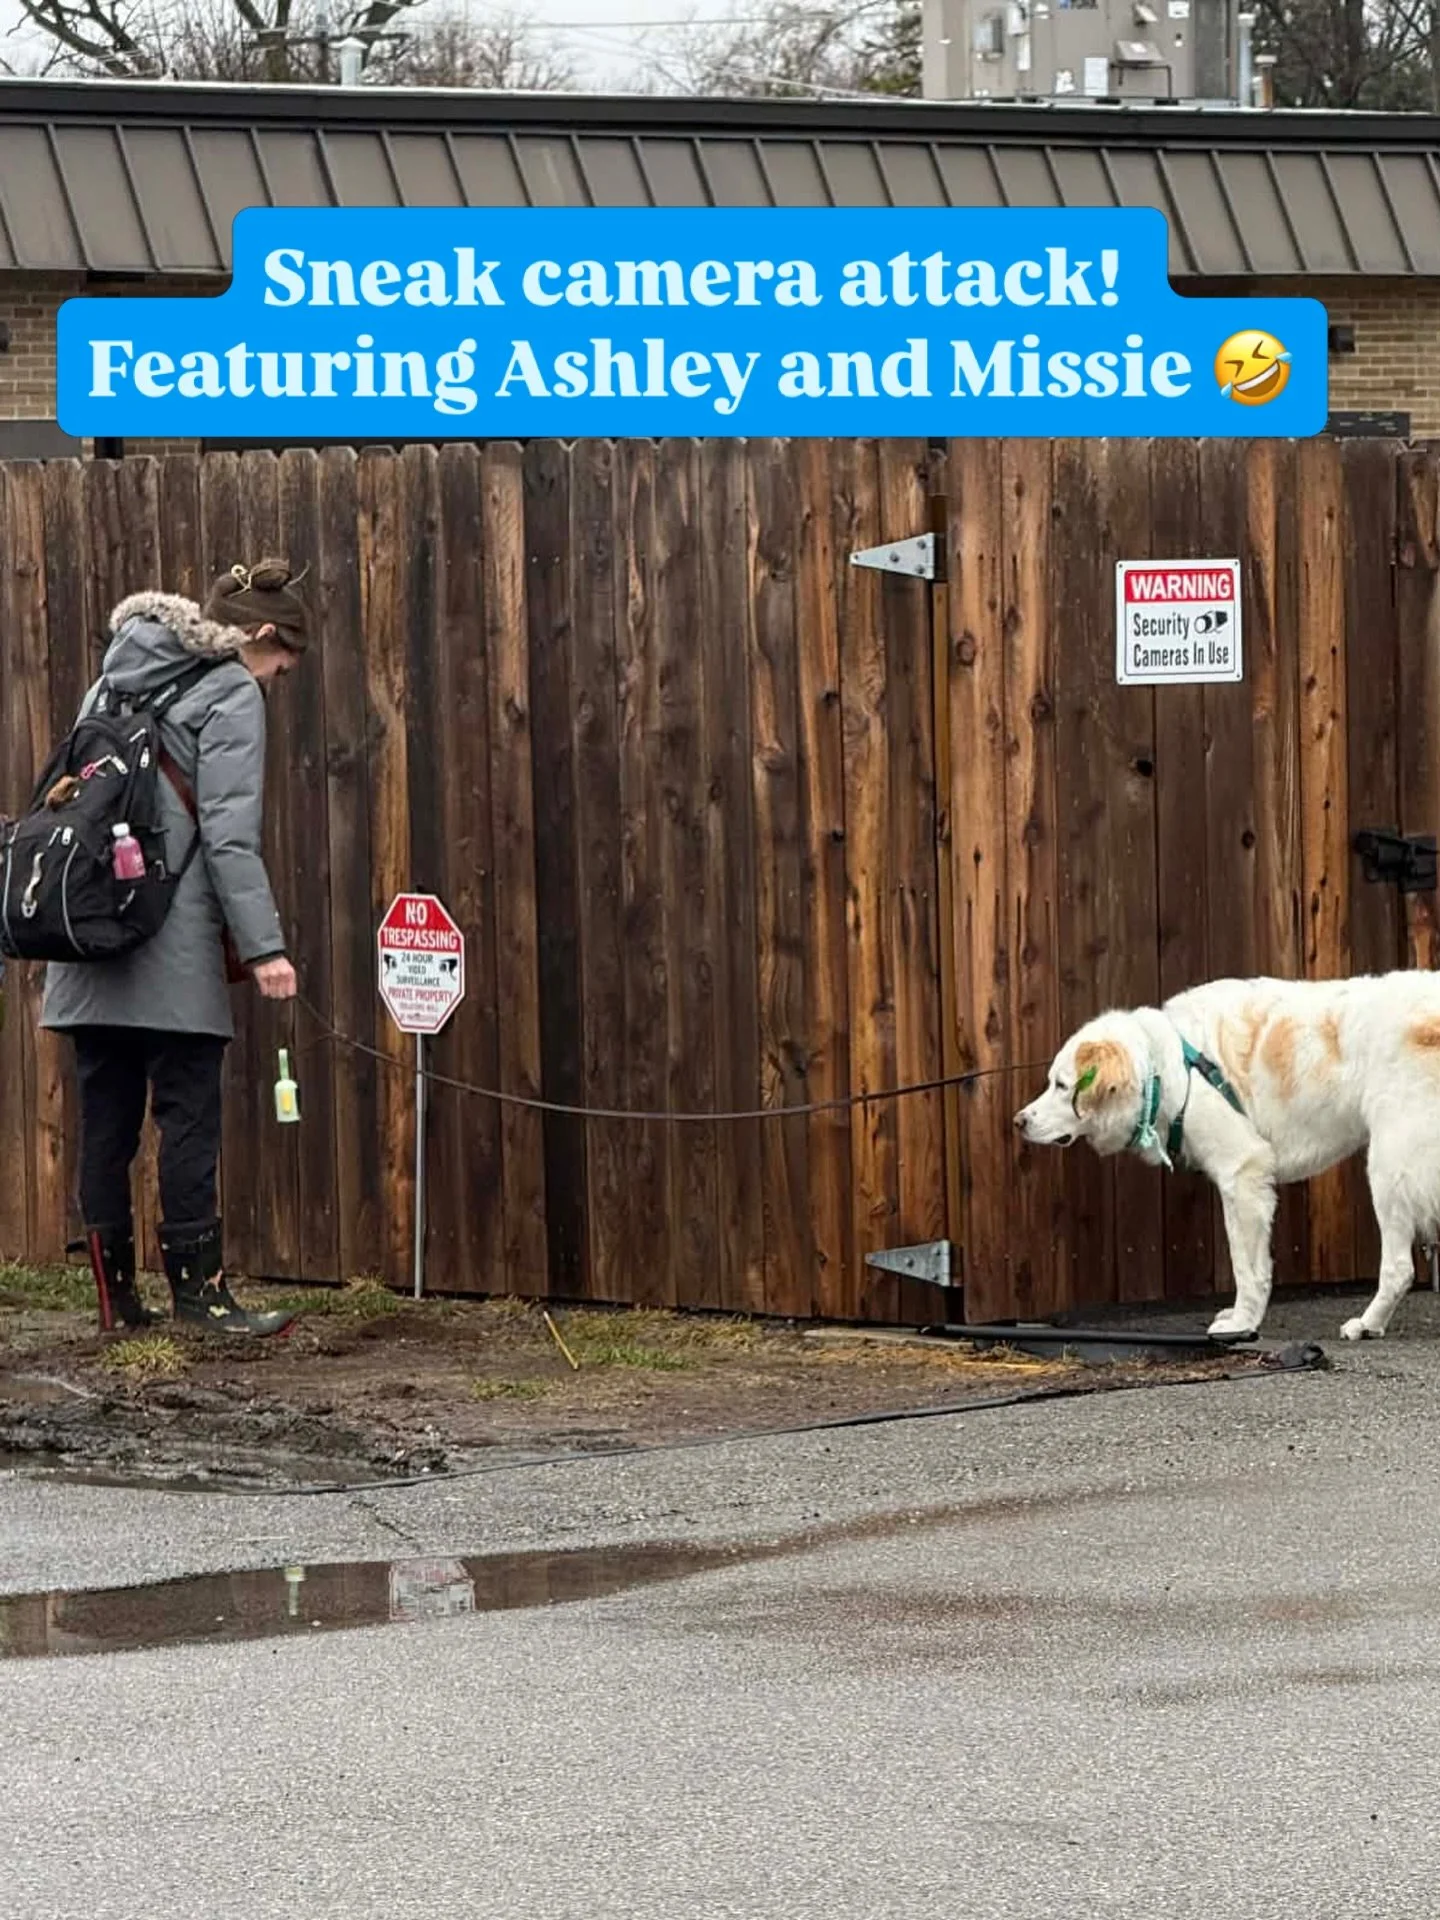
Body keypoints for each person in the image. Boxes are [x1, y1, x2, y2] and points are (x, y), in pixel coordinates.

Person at [40, 559, 311, 1339]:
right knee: (188, 1116)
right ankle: (203, 1298)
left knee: (106, 1121)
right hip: (172, 945)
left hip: (87, 938)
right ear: (259, 635)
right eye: (286, 653)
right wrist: (266, 950)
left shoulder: (108, 683)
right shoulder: (230, 692)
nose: (285, 671)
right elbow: (228, 837)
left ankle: (114, 1300)